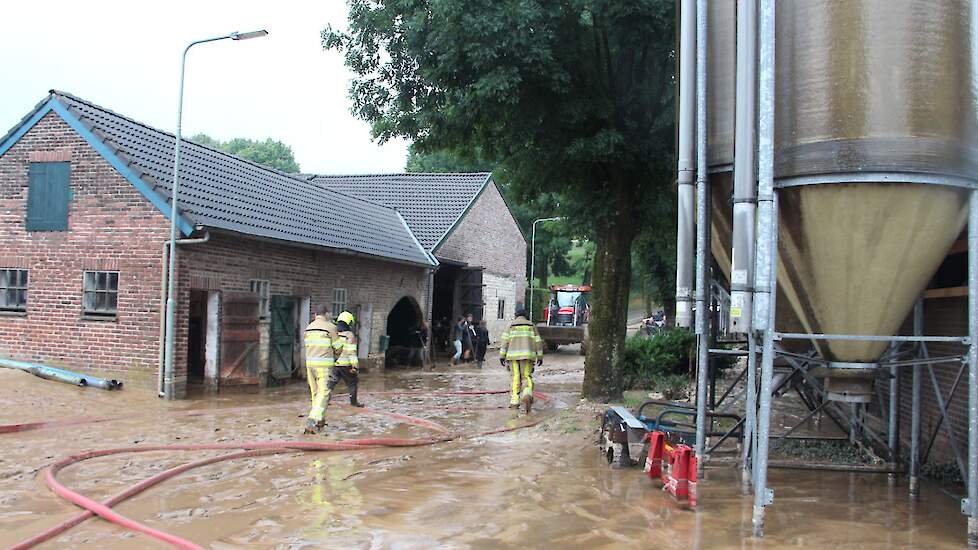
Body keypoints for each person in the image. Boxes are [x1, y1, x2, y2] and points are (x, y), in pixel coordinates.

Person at [499, 306, 544, 413]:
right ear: (525, 315)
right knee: (526, 376)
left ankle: (514, 401)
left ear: (516, 315)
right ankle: (527, 394)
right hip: (528, 357)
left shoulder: (510, 326)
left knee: (515, 377)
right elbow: (538, 342)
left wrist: (502, 356)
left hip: (513, 357)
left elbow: (505, 342)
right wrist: (540, 356)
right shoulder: (531, 326)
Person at [303, 304, 337, 434]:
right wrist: (336, 358)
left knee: (315, 393)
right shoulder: (330, 327)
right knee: (324, 392)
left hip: (310, 364)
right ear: (327, 314)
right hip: (324, 365)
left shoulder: (308, 327)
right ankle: (313, 419)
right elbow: (338, 347)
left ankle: (320, 420)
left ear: (315, 315)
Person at [327, 310, 365, 412]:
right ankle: (354, 402)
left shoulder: (334, 333)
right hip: (346, 365)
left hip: (335, 364)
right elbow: (351, 352)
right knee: (353, 382)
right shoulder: (349, 335)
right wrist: (355, 366)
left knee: (331, 383)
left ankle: (325, 400)